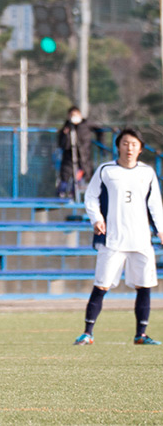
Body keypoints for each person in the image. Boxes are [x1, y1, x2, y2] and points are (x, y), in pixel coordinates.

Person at [74, 127, 163, 346]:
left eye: (133, 144)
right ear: (118, 146)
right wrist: (96, 218)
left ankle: (140, 335)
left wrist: (160, 229)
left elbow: (155, 205)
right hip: (112, 239)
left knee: (144, 285)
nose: (129, 148)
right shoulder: (106, 170)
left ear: (140, 148)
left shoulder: (147, 173)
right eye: (125, 143)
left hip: (141, 239)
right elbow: (91, 197)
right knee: (102, 285)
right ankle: (88, 333)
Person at [57, 106, 94, 199]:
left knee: (78, 179)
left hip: (83, 159)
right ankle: (61, 194)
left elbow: (99, 129)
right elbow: (62, 144)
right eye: (72, 115)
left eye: (76, 114)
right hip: (68, 158)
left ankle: (74, 195)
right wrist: (66, 134)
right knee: (65, 178)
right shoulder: (66, 128)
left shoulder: (86, 125)